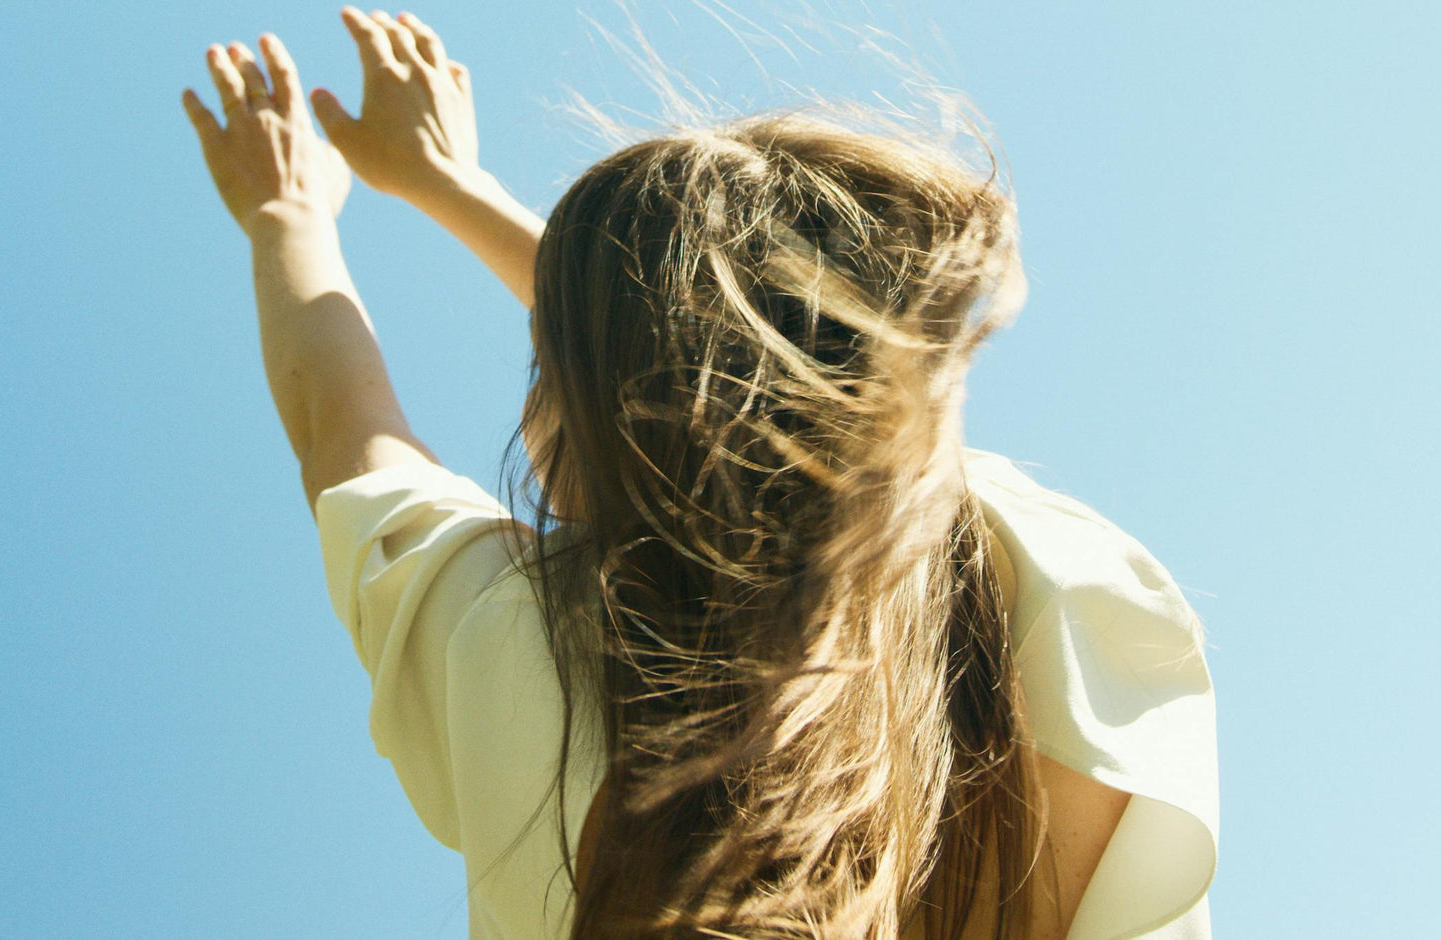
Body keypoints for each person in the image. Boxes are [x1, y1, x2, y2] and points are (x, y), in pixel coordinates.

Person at [182, 8, 1217, 939]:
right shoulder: (1050, 572)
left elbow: (341, 429)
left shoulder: (509, 638)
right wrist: (458, 187)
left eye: (552, 367)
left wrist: (288, 211)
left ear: (594, 412)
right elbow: (750, 365)